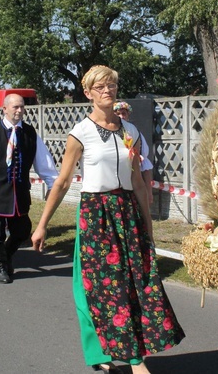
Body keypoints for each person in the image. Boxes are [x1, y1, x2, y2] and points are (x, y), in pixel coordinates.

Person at [32, 65, 185, 374]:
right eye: (100, 87)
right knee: (101, 286)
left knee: (137, 283)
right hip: (96, 212)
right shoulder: (80, 132)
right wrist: (43, 223)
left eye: (112, 86)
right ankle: (131, 360)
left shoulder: (132, 132)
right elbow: (61, 182)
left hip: (127, 210)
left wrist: (150, 230)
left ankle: (124, 351)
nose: (108, 91)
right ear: (88, 93)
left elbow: (140, 184)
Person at [0, 94, 58, 284]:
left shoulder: (30, 133)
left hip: (20, 193)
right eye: (15, 107)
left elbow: (44, 161)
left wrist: (51, 183)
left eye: (22, 107)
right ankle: (1, 269)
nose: (19, 111)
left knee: (23, 231)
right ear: (5, 109)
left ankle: (6, 256)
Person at [113, 101, 153, 207]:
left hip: (134, 184)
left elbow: (145, 166)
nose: (121, 116)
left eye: (124, 114)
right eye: (118, 114)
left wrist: (149, 192)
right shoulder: (108, 134)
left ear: (128, 116)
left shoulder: (135, 133)